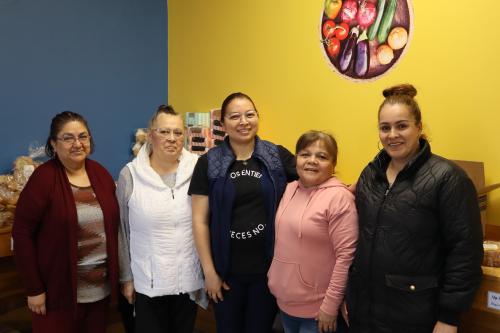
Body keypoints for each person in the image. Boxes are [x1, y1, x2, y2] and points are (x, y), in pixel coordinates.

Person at [346, 84, 483, 333]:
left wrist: (449, 318)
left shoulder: (448, 179)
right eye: (385, 128)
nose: (392, 134)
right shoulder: (369, 175)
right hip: (364, 312)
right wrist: (348, 295)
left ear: (419, 128)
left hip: (415, 316)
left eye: (402, 126)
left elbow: (465, 253)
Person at [189, 92, 297, 333]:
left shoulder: (276, 156)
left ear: (258, 117)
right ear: (223, 124)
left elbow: (313, 177)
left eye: (250, 114)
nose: (243, 121)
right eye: (235, 116)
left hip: (268, 271)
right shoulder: (208, 162)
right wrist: (210, 273)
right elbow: (199, 221)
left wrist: (346, 189)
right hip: (226, 274)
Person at [12, 111, 119, 333]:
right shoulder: (44, 179)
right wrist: (34, 289)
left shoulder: (100, 174)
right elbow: (22, 234)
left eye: (83, 136)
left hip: (100, 293)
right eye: (68, 137)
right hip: (57, 295)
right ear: (54, 143)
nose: (77, 143)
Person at [117, 105, 205, 333]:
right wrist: (126, 279)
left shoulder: (198, 168)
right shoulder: (130, 174)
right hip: (148, 282)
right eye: (164, 132)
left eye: (177, 132)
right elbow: (122, 230)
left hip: (187, 281)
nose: (172, 138)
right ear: (150, 134)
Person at [267, 131, 357, 333]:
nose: (312, 161)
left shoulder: (340, 198)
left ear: (333, 164)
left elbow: (345, 257)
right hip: (285, 304)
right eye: (305, 154)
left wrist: (330, 306)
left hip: (318, 312)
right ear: (296, 158)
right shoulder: (289, 189)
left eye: (322, 156)